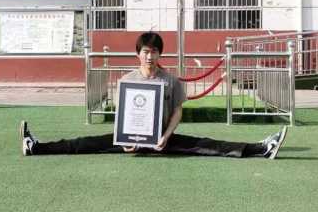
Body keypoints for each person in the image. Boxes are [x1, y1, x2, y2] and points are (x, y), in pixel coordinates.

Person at [20, 32, 288, 159]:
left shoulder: (170, 80)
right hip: (131, 141)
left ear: (160, 54)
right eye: (145, 52)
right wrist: (124, 140)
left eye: (154, 52)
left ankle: (261, 149)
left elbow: (177, 111)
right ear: (138, 54)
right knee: (84, 143)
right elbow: (123, 114)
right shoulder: (127, 81)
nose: (150, 56)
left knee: (207, 144)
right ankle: (36, 147)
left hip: (161, 139)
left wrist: (165, 136)